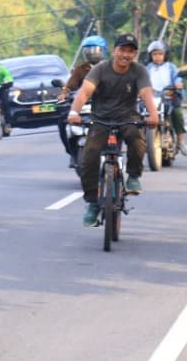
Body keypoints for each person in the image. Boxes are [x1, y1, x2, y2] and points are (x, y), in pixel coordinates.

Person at [66, 32, 159, 227]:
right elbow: (84, 92)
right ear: (114, 51)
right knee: (89, 156)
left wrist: (153, 114)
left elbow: (146, 93)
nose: (126, 55)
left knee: (137, 140)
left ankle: (133, 175)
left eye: (131, 51)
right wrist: (74, 112)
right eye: (122, 50)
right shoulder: (100, 69)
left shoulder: (139, 70)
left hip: (128, 118)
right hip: (101, 120)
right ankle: (92, 203)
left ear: (135, 54)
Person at [58, 35, 108, 155]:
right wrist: (64, 93)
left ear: (102, 51)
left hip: (106, 105)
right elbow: (71, 85)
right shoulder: (80, 69)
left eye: (95, 50)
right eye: (88, 51)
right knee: (62, 120)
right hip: (84, 105)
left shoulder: (111, 68)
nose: (92, 54)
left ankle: (117, 151)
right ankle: (71, 150)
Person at [146, 39, 187, 155]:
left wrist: (178, 83)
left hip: (169, 96)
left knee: (177, 113)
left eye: (160, 54)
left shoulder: (171, 67)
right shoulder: (147, 68)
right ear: (150, 56)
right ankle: (140, 143)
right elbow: (142, 80)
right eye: (154, 54)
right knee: (140, 116)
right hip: (152, 98)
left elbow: (177, 77)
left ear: (165, 55)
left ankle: (181, 142)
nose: (157, 57)